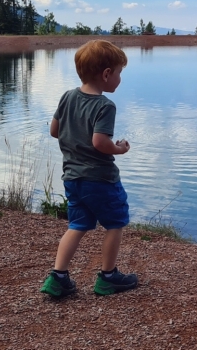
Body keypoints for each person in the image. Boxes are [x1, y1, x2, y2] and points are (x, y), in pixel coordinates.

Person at [40, 39, 138, 298]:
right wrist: (118, 148)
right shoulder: (105, 106)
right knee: (115, 223)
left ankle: (58, 277)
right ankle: (108, 277)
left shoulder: (67, 96)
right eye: (119, 73)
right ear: (106, 74)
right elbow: (99, 142)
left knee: (77, 225)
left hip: (72, 178)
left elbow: (54, 131)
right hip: (100, 179)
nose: (119, 79)